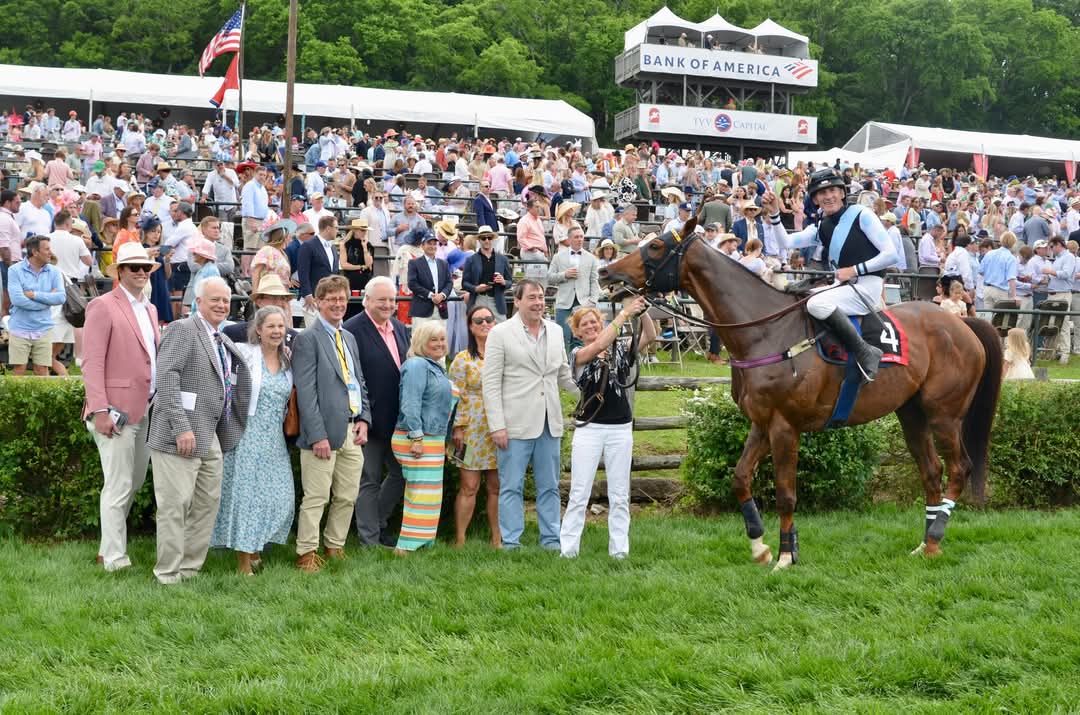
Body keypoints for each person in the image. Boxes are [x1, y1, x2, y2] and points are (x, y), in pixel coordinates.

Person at [146, 277, 251, 585]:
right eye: (215, 299)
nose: (221, 305)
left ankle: (189, 570)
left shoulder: (219, 337)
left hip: (211, 434)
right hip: (177, 435)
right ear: (198, 302)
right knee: (174, 505)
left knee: (206, 505)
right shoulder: (182, 329)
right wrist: (181, 428)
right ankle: (167, 574)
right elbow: (166, 379)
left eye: (226, 300)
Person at [763, 169, 898, 382]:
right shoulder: (821, 226)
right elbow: (786, 242)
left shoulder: (862, 215)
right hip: (843, 287)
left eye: (833, 190)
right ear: (815, 199)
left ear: (842, 193)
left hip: (867, 288)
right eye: (821, 193)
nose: (828, 196)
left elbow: (891, 255)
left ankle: (866, 352)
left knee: (815, 305)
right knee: (795, 300)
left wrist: (854, 270)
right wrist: (774, 214)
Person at [482, 279, 579, 550]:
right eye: (533, 298)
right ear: (518, 301)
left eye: (541, 298)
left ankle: (551, 539)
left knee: (549, 486)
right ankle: (511, 542)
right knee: (511, 486)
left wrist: (588, 393)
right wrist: (497, 426)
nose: (539, 303)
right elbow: (490, 383)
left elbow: (562, 373)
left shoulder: (557, 331)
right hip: (513, 424)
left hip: (549, 422)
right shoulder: (500, 333)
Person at [82, 243, 161, 571]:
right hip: (114, 412)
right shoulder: (102, 306)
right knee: (118, 485)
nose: (141, 272)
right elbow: (91, 362)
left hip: (146, 410)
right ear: (119, 272)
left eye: (145, 267)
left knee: (133, 482)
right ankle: (115, 559)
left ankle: (106, 548)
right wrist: (99, 410)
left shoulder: (151, 309)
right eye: (133, 267)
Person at [292, 275, 371, 572]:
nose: (338, 304)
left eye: (342, 298)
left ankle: (334, 545)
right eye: (331, 299)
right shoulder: (307, 339)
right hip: (322, 434)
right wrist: (317, 435)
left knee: (348, 495)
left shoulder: (348, 337)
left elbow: (358, 381)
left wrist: (364, 418)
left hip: (352, 429)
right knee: (316, 496)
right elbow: (306, 392)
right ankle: (306, 552)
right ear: (319, 302)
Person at [560, 297, 649, 559]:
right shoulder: (577, 354)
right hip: (589, 428)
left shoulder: (620, 348)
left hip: (620, 428)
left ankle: (619, 551)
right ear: (577, 331)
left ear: (601, 323)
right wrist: (624, 313)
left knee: (620, 493)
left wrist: (641, 313)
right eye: (584, 324)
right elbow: (599, 344)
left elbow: (650, 335)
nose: (590, 326)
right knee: (579, 491)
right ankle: (568, 550)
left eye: (594, 321)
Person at [210, 306, 295, 575]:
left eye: (280, 326)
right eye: (270, 326)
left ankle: (256, 546)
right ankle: (244, 562)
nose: (277, 331)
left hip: (274, 438)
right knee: (247, 500)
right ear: (258, 330)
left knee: (281, 497)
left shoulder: (287, 359)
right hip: (247, 434)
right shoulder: (245, 353)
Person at [342, 277, 409, 547]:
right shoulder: (352, 330)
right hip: (367, 420)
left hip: (399, 418)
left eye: (392, 300)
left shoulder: (401, 328)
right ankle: (369, 540)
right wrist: (360, 416)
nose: (388, 305)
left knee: (401, 474)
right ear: (366, 300)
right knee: (368, 479)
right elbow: (351, 378)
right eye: (382, 300)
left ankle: (377, 523)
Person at [391, 321, 458, 555]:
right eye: (433, 340)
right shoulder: (417, 365)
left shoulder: (437, 366)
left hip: (434, 438)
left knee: (429, 495)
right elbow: (410, 403)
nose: (440, 344)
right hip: (416, 438)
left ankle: (423, 542)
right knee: (420, 494)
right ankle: (406, 547)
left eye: (442, 339)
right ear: (421, 342)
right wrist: (417, 437)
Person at [448, 305, 501, 547]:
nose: (484, 323)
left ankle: (497, 538)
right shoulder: (462, 359)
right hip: (468, 429)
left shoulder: (503, 354)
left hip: (498, 426)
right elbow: (454, 395)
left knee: (496, 486)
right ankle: (460, 539)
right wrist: (457, 428)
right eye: (478, 320)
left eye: (488, 319)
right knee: (469, 485)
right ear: (470, 326)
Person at [7, 235, 65, 376]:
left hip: (44, 328)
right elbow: (17, 300)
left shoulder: (54, 271)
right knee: (19, 369)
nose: (50, 252)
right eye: (46, 249)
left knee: (42, 370)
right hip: (20, 328)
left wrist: (35, 295)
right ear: (35, 252)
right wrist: (46, 302)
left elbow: (61, 297)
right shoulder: (15, 270)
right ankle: (17, 399)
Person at [548, 224, 601, 350]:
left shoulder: (591, 258)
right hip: (564, 302)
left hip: (583, 303)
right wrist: (564, 275)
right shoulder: (558, 257)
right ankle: (565, 366)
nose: (580, 239)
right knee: (563, 337)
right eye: (576, 237)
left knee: (581, 339)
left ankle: (581, 367)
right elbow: (549, 277)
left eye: (582, 237)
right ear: (570, 239)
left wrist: (593, 300)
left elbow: (594, 281)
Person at [223, 273, 299, 346]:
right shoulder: (234, 333)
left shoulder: (294, 338)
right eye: (274, 298)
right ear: (259, 302)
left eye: (283, 299)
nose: (279, 303)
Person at [461, 225, 512, 321]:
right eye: (484, 238)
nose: (487, 240)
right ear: (479, 240)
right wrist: (476, 289)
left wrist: (503, 282)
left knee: (502, 329)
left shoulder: (502, 259)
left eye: (489, 238)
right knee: (477, 329)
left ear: (493, 239)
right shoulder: (471, 259)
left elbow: (510, 282)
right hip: (478, 299)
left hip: (497, 301)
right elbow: (464, 283)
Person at [298, 216, 341, 328]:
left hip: (331, 299)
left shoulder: (332, 248)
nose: (338, 230)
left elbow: (334, 273)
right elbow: (303, 272)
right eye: (336, 227)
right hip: (313, 299)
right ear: (328, 228)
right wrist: (308, 295)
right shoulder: (308, 246)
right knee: (315, 333)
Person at [407, 229, 452, 328]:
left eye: (434, 244)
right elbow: (412, 284)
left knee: (440, 340)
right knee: (420, 341)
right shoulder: (414, 263)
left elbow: (449, 283)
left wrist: (442, 295)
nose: (432, 246)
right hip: (421, 310)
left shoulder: (443, 264)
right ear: (422, 245)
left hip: (441, 309)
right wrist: (431, 295)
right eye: (429, 243)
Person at [1041, 235, 1076, 364]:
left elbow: (1066, 274)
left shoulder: (1069, 257)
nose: (1051, 249)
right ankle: (1050, 352)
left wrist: (1051, 272)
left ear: (1058, 245)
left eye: (1051, 247)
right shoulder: (1058, 259)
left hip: (1063, 294)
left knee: (1064, 324)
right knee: (1052, 324)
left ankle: (1065, 354)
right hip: (1053, 293)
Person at [340, 217, 374, 318]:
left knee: (363, 308)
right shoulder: (345, 244)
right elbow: (344, 264)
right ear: (355, 230)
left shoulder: (369, 245)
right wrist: (361, 267)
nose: (364, 233)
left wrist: (364, 248)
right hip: (350, 280)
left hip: (365, 280)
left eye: (365, 230)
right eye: (362, 230)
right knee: (350, 309)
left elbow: (369, 265)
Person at [184, 237, 221, 316]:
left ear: (203, 255)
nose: (193, 253)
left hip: (206, 314)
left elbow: (212, 295)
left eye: (196, 252)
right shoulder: (204, 269)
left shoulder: (211, 270)